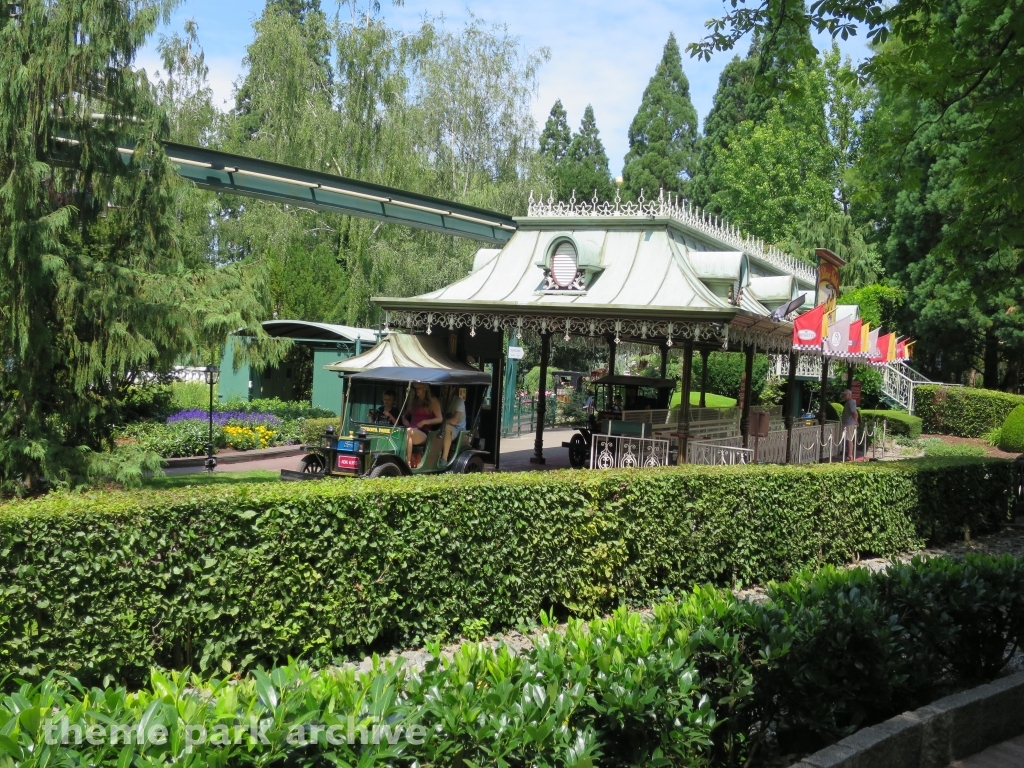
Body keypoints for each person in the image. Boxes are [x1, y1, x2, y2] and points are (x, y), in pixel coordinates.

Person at [404, 382, 443, 467]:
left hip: (425, 432)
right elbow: (405, 415)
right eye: (415, 388)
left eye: (419, 388)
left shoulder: (433, 400)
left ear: (425, 388)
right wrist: (405, 420)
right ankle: (407, 462)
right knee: (405, 433)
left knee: (408, 432)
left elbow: (440, 419)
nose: (416, 390)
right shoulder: (414, 401)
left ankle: (407, 462)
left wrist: (425, 422)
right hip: (411, 430)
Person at [439, 385, 467, 463]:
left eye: (447, 388)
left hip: (458, 430)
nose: (445, 390)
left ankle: (444, 459)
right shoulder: (441, 400)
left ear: (453, 389)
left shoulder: (459, 402)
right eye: (443, 388)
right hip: (442, 426)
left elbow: (454, 421)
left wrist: (439, 421)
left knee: (447, 427)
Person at [842, 388, 859, 460]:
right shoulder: (848, 402)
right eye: (844, 395)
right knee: (848, 438)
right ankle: (848, 454)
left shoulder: (851, 402)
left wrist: (856, 421)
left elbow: (854, 412)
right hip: (847, 423)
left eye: (845, 395)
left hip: (849, 423)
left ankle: (850, 455)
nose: (844, 396)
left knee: (849, 438)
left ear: (849, 395)